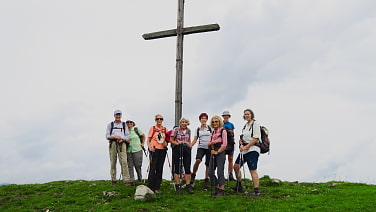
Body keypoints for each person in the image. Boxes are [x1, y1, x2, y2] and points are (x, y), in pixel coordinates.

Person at [232, 109, 261, 197]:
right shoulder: (245, 125)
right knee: (236, 166)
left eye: (248, 114)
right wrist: (241, 142)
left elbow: (256, 138)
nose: (246, 115)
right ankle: (239, 184)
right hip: (244, 150)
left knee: (252, 170)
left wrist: (246, 146)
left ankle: (256, 191)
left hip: (253, 149)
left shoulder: (255, 123)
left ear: (252, 115)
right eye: (245, 114)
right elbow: (245, 137)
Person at [105, 109, 132, 186]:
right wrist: (115, 137)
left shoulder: (124, 125)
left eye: (119, 115)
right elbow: (107, 136)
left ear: (121, 115)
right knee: (113, 162)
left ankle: (126, 180)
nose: (118, 116)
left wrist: (122, 139)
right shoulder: (110, 125)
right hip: (113, 143)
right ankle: (113, 180)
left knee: (124, 162)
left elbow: (127, 136)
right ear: (114, 116)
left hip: (122, 144)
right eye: (116, 115)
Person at [170, 117, 194, 194]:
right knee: (177, 166)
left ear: (187, 123)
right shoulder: (176, 130)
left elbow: (189, 139)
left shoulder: (188, 130)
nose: (184, 123)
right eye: (182, 122)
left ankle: (188, 185)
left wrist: (190, 146)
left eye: (185, 122)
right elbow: (171, 140)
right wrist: (177, 143)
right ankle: (178, 185)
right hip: (178, 148)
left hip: (186, 148)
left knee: (187, 166)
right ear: (180, 123)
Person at [147, 114, 168, 194]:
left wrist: (166, 143)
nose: (159, 120)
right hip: (154, 149)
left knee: (160, 168)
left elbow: (166, 140)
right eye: (157, 119)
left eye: (161, 119)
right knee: (153, 167)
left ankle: (157, 187)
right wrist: (150, 147)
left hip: (162, 150)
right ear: (155, 120)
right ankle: (150, 186)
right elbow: (148, 140)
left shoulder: (165, 129)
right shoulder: (152, 128)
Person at [190, 113, 211, 189]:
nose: (203, 120)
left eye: (205, 118)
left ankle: (206, 179)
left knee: (208, 164)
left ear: (207, 120)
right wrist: (191, 145)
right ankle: (193, 175)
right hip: (201, 147)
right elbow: (195, 139)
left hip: (209, 148)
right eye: (202, 118)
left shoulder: (210, 128)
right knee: (198, 160)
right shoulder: (198, 129)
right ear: (200, 120)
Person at [208, 115, 227, 197]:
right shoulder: (212, 132)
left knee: (220, 171)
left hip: (220, 151)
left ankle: (221, 190)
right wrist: (210, 145)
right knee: (210, 172)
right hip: (213, 151)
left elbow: (225, 144)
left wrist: (218, 152)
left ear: (219, 122)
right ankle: (216, 188)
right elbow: (209, 143)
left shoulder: (223, 131)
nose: (214, 123)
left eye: (216, 121)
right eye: (213, 122)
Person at [125, 119, 145, 184]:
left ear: (133, 123)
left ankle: (140, 178)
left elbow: (143, 136)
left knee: (137, 165)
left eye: (130, 122)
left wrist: (142, 143)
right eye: (127, 122)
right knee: (130, 165)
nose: (129, 123)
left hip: (137, 149)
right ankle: (132, 180)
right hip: (128, 150)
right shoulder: (125, 131)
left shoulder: (136, 129)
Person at [222, 110, 236, 181]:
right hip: (223, 143)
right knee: (222, 159)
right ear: (223, 116)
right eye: (224, 116)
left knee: (230, 159)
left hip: (230, 143)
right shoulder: (220, 124)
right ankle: (222, 175)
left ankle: (230, 174)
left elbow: (233, 134)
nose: (226, 117)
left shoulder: (231, 125)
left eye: (227, 115)